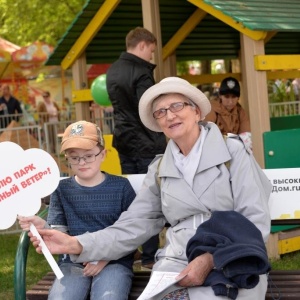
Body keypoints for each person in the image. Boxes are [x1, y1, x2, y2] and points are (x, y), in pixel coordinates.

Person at [29, 77, 272, 300]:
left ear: (196, 111)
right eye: (161, 112)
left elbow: (255, 220)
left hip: (233, 256)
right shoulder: (159, 169)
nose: (169, 116)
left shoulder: (233, 152)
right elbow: (132, 226)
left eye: (177, 106)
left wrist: (211, 259)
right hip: (178, 260)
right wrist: (75, 244)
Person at [19, 120, 136, 300]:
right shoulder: (62, 189)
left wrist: (103, 259)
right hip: (73, 262)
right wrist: (42, 225)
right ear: (67, 158)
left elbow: (130, 233)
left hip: (113, 261)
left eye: (89, 156)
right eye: (74, 158)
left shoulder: (121, 187)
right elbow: (59, 232)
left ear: (103, 154)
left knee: (109, 297)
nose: (82, 162)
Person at [106, 26, 167, 269]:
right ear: (142, 45)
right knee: (150, 198)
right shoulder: (142, 72)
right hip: (146, 142)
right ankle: (151, 255)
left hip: (123, 140)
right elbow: (149, 108)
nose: (151, 57)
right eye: (151, 51)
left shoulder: (112, 71)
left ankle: (131, 250)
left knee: (130, 198)